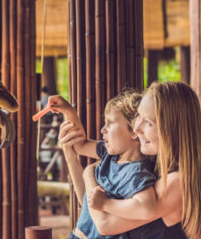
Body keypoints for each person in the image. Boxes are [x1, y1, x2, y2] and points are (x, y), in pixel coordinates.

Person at [58, 81, 201, 239]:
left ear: (172, 129)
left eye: (148, 122)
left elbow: (104, 224)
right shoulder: (151, 166)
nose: (136, 128)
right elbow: (90, 208)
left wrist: (89, 173)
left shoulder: (176, 182)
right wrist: (70, 155)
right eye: (139, 116)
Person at [48, 90, 159, 238]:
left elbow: (146, 207)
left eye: (110, 123)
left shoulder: (136, 172)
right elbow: (79, 145)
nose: (102, 130)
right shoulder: (110, 155)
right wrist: (69, 112)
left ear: (134, 131)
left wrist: (105, 203)